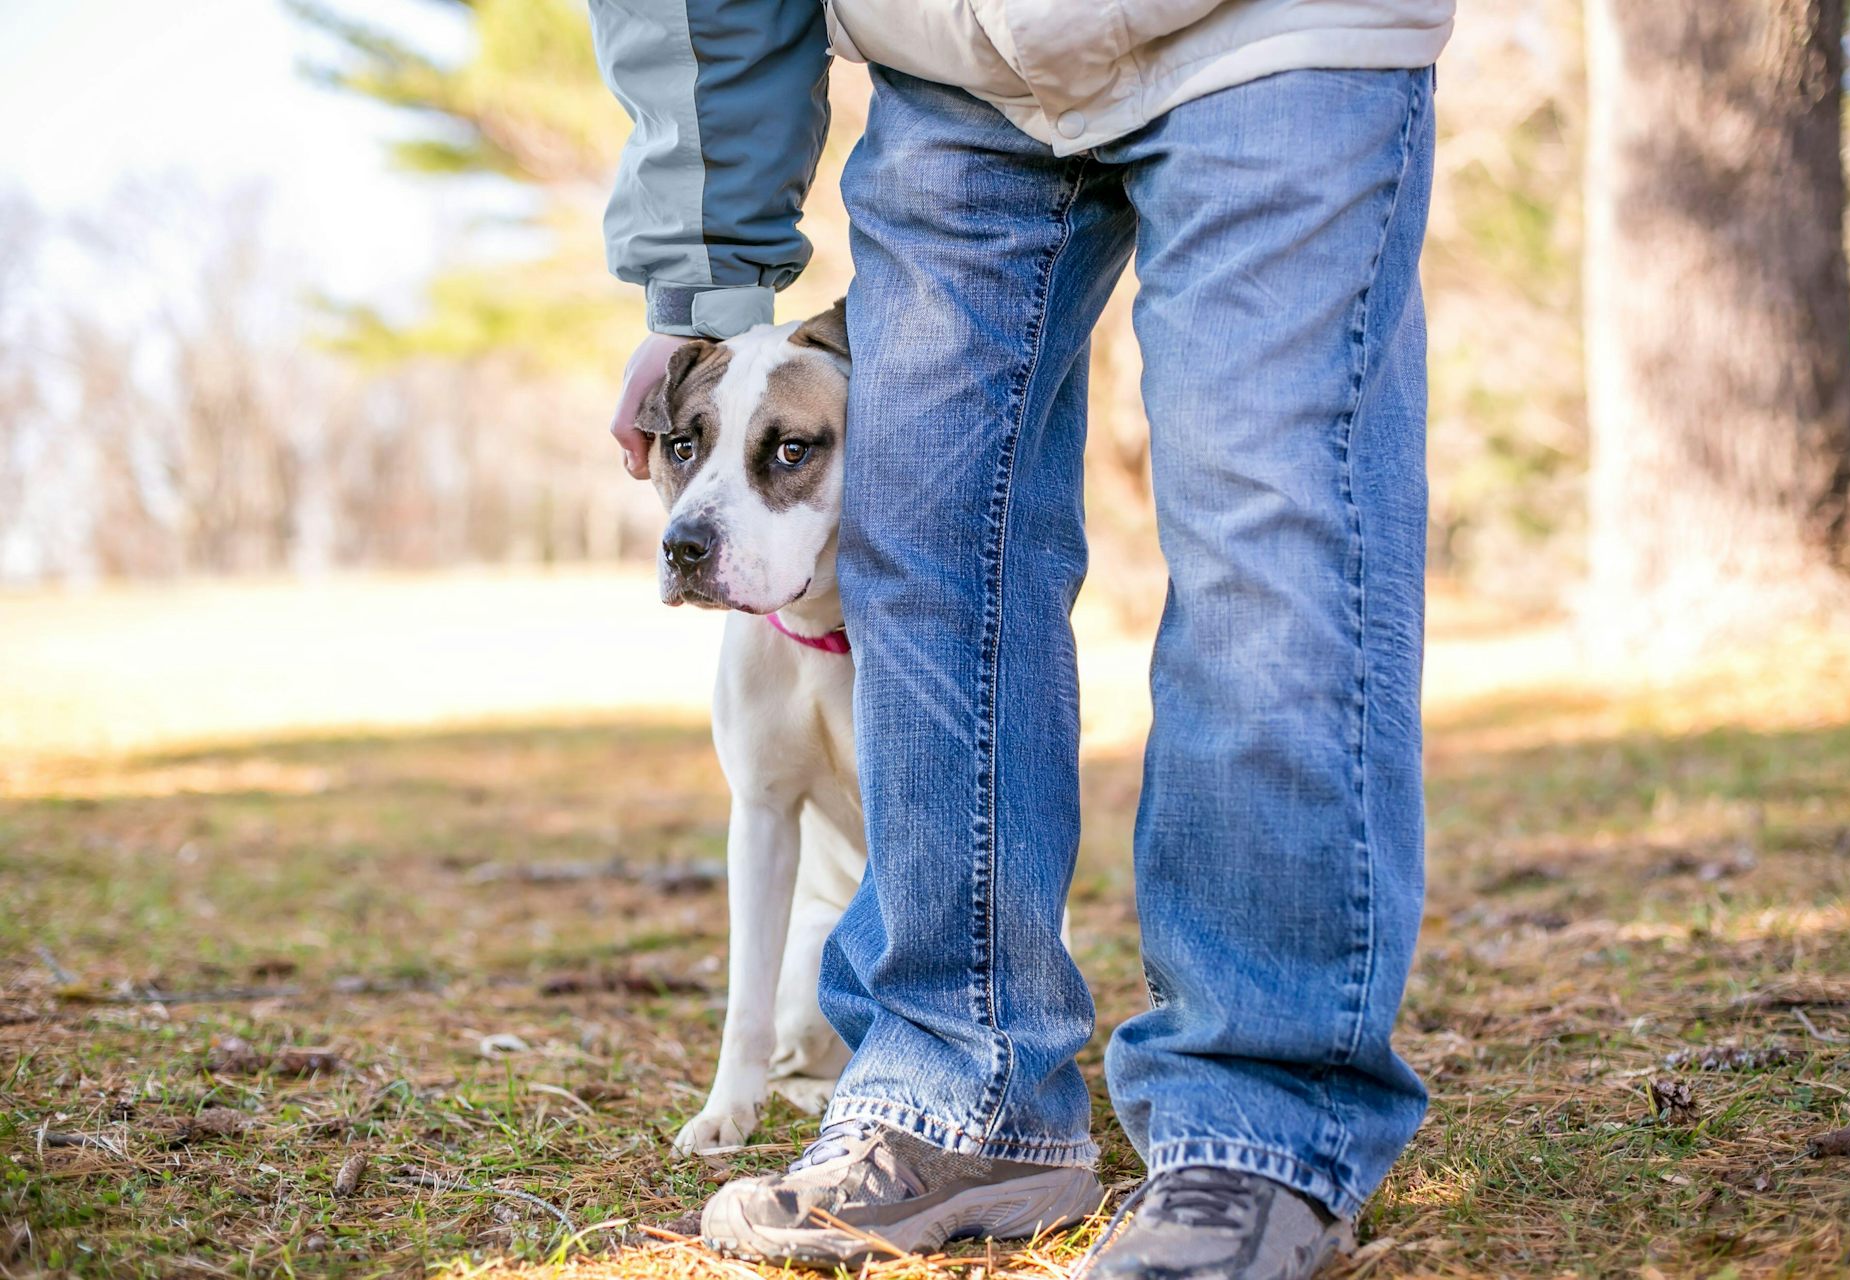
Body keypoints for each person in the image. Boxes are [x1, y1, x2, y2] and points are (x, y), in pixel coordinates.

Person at [590, 3, 1450, 1276]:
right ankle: (961, 1087)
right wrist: (706, 268)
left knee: (1268, 528)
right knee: (920, 548)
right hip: (951, 70)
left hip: (1274, 31)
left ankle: (1262, 1120)